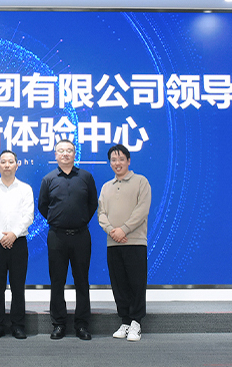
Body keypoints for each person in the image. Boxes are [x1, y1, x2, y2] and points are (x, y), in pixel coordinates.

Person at [37, 139, 97, 341]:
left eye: (69, 150)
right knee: (57, 281)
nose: (65, 154)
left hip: (81, 236)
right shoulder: (48, 179)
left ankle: (82, 325)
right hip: (57, 236)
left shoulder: (86, 177)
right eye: (61, 151)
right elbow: (43, 206)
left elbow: (92, 204)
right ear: (55, 155)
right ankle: (59, 324)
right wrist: (59, 220)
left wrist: (80, 220)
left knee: (82, 281)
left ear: (74, 153)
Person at [98, 144, 151, 342]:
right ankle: (125, 321)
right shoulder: (106, 187)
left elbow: (142, 210)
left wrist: (124, 229)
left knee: (136, 283)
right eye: (113, 160)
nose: (117, 163)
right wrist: (112, 230)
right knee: (118, 284)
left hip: (135, 241)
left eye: (121, 159)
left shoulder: (141, 182)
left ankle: (136, 322)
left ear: (128, 161)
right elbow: (101, 213)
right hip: (113, 243)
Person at [0, 150, 34, 340]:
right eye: (3, 162)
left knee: (18, 286)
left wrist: (13, 234)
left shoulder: (25, 189)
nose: (7, 165)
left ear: (17, 165)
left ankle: (18, 325)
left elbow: (28, 216)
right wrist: (0, 236)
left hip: (18, 242)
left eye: (11, 161)